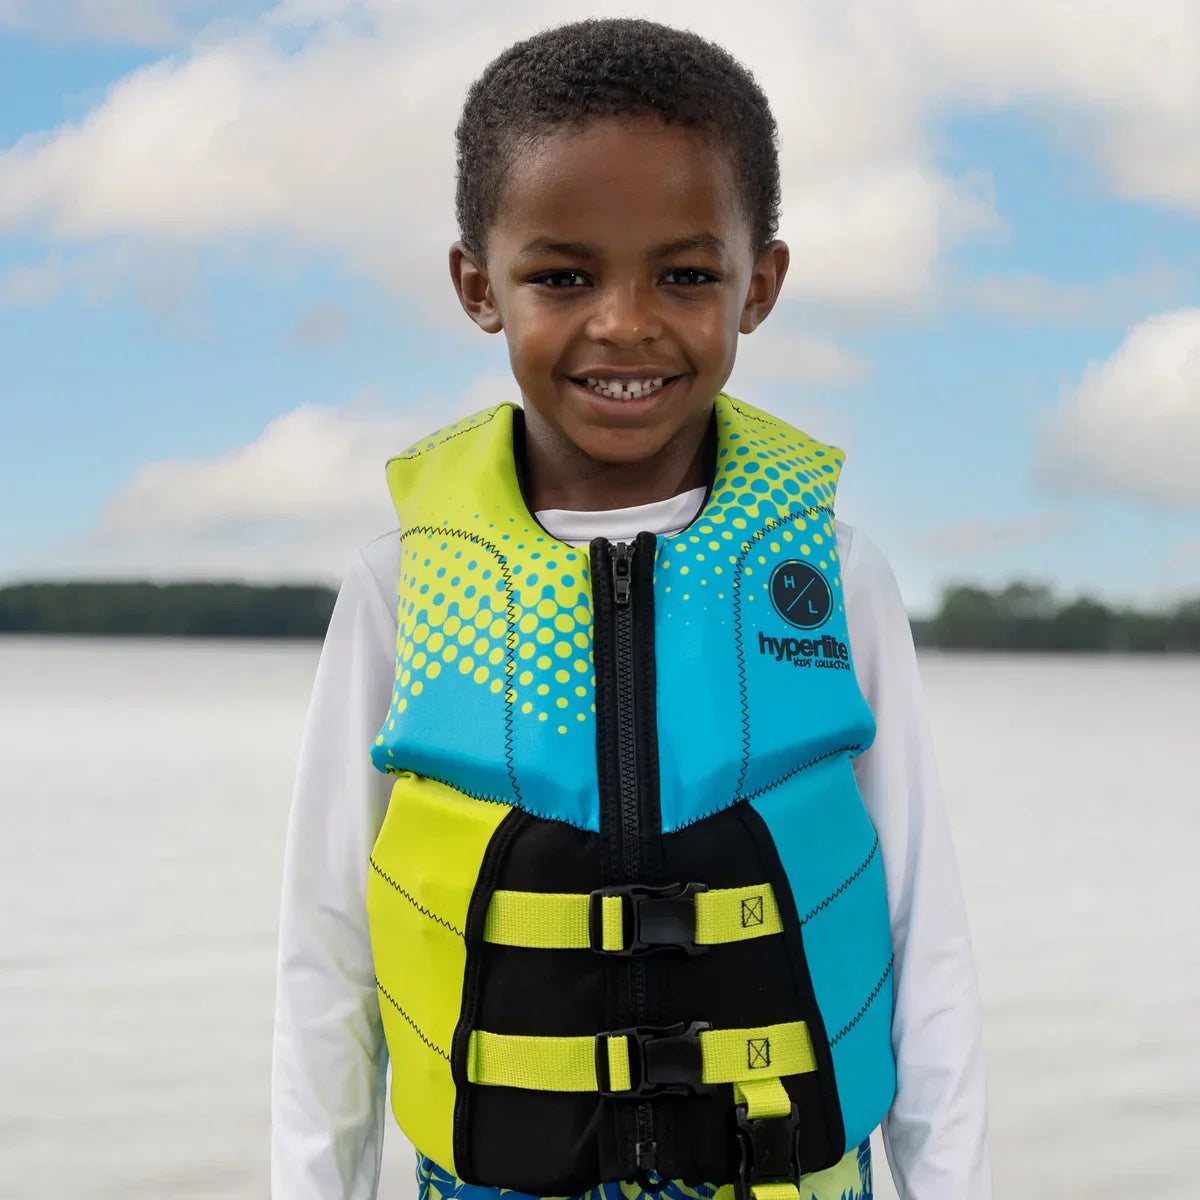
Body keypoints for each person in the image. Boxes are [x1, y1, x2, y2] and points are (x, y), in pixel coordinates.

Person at [271, 18, 992, 1200]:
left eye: (686, 275)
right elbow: (328, 954)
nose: (624, 322)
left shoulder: (833, 575)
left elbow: (925, 937)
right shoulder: (403, 582)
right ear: (478, 286)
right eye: (563, 276)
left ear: (760, 285)